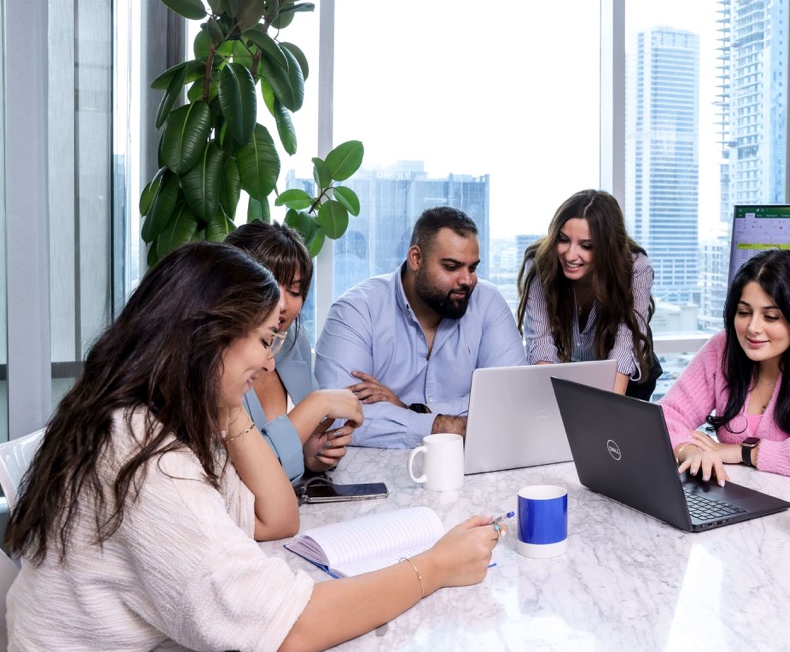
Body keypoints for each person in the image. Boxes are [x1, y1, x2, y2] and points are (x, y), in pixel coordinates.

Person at [1, 242, 500, 652]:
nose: (268, 363)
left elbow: (275, 518)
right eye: (263, 342)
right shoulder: (147, 460)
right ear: (210, 339)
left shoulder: (141, 420)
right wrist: (435, 567)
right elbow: (293, 628)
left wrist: (230, 405)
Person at [315, 206, 525, 447]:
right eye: (452, 267)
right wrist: (442, 425)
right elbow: (336, 418)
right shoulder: (356, 311)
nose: (467, 280)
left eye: (472, 268)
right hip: (376, 475)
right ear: (416, 258)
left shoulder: (488, 302)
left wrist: (412, 410)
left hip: (475, 469)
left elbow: (511, 400)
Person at [660, 249, 790, 482]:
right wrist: (688, 450)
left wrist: (745, 452)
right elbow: (664, 418)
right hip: (735, 496)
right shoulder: (723, 347)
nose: (753, 328)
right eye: (744, 312)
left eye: (771, 317)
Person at [224, 221, 362, 482]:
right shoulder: (217, 360)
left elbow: (292, 447)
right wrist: (317, 404)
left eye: (295, 290)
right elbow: (246, 475)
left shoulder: (291, 340)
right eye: (270, 286)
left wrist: (312, 455)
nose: (283, 304)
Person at [516, 189, 656, 396]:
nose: (570, 255)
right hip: (565, 371)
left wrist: (606, 410)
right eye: (563, 239)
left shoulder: (636, 267)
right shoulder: (539, 263)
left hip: (624, 377)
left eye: (586, 246)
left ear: (608, 249)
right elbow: (541, 344)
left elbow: (624, 350)